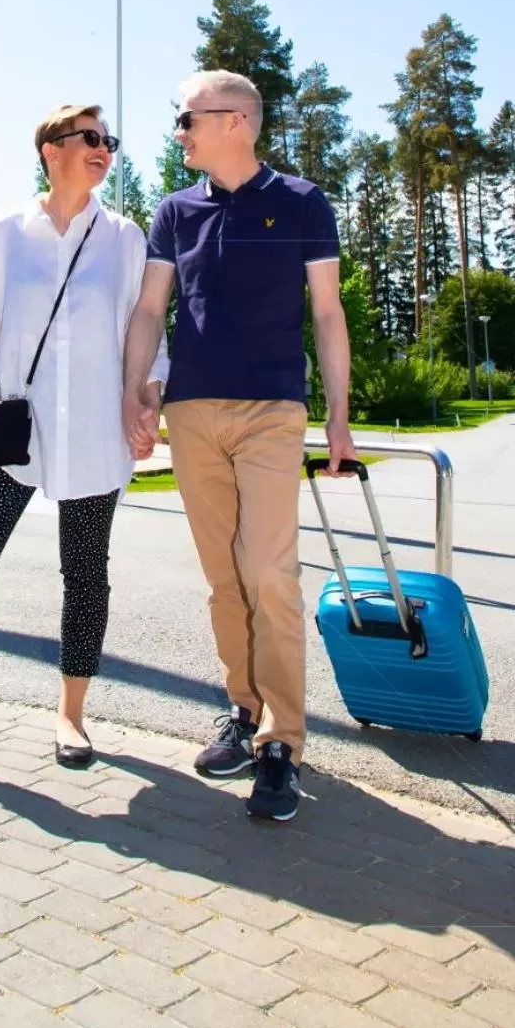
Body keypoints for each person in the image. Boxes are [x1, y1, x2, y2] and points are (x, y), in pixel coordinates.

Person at [0, 104, 166, 795]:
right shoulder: (6, 237)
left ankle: (72, 716)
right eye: (91, 139)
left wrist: (147, 400)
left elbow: (148, 329)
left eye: (110, 141)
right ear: (51, 150)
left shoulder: (124, 237)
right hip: (15, 437)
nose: (105, 150)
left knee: (85, 574)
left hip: (96, 437)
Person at [123, 69, 357, 824]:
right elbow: (151, 307)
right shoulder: (174, 211)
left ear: (237, 122)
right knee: (225, 579)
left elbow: (327, 312)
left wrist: (340, 416)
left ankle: (283, 742)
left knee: (270, 574)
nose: (180, 132)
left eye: (188, 118)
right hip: (192, 413)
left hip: (271, 413)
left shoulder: (301, 202)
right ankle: (242, 707)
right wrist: (137, 388)